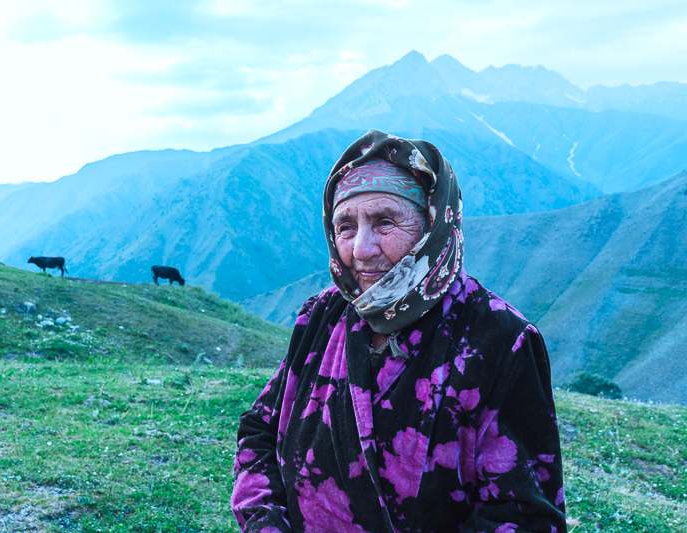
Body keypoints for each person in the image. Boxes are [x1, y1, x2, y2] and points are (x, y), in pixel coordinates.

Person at [231, 130, 566, 533]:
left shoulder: (498, 340)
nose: (361, 250)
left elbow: (523, 517)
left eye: (384, 221)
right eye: (346, 227)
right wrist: (264, 522)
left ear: (433, 223)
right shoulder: (322, 315)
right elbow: (261, 429)